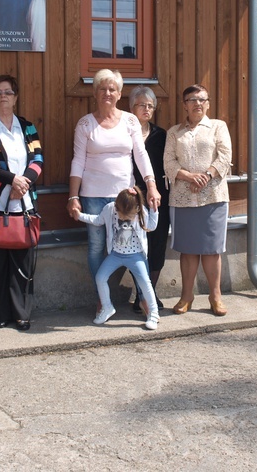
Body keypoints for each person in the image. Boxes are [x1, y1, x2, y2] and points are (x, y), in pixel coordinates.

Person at [67, 69, 161, 293]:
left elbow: (141, 154)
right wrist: (73, 196)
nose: (107, 93)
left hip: (126, 196)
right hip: (92, 196)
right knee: (97, 247)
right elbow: (78, 161)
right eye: (102, 88)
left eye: (112, 89)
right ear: (95, 93)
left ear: (119, 94)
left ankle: (144, 298)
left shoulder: (130, 121)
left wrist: (151, 186)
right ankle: (103, 298)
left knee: (135, 245)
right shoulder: (85, 124)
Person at [0, 74, 44, 331]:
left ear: (16, 98)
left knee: (22, 261)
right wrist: (12, 180)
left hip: (23, 204)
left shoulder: (27, 127)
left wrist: (22, 184)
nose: (4, 96)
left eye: (8, 92)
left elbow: (38, 160)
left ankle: (22, 313)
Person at [163, 84, 232, 316]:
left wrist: (207, 175)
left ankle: (215, 296)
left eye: (202, 99)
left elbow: (225, 156)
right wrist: (190, 176)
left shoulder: (217, 127)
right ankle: (187, 296)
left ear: (208, 103)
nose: (197, 103)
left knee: (212, 250)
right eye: (192, 100)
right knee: (188, 250)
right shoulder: (174, 132)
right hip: (182, 198)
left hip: (213, 196)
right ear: (184, 105)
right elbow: (169, 163)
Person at [77, 187, 160, 330]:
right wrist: (79, 215)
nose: (123, 218)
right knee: (100, 277)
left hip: (136, 256)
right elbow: (97, 220)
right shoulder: (110, 209)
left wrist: (154, 209)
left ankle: (153, 312)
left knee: (145, 282)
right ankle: (107, 307)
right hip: (115, 255)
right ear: (116, 206)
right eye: (121, 215)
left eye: (128, 217)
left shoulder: (140, 211)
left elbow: (151, 226)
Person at [130, 85, 169, 314]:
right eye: (142, 105)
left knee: (157, 245)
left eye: (151, 106)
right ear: (131, 106)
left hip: (157, 199)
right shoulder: (124, 133)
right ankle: (143, 294)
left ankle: (148, 292)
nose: (147, 109)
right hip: (131, 197)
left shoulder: (160, 135)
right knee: (135, 247)